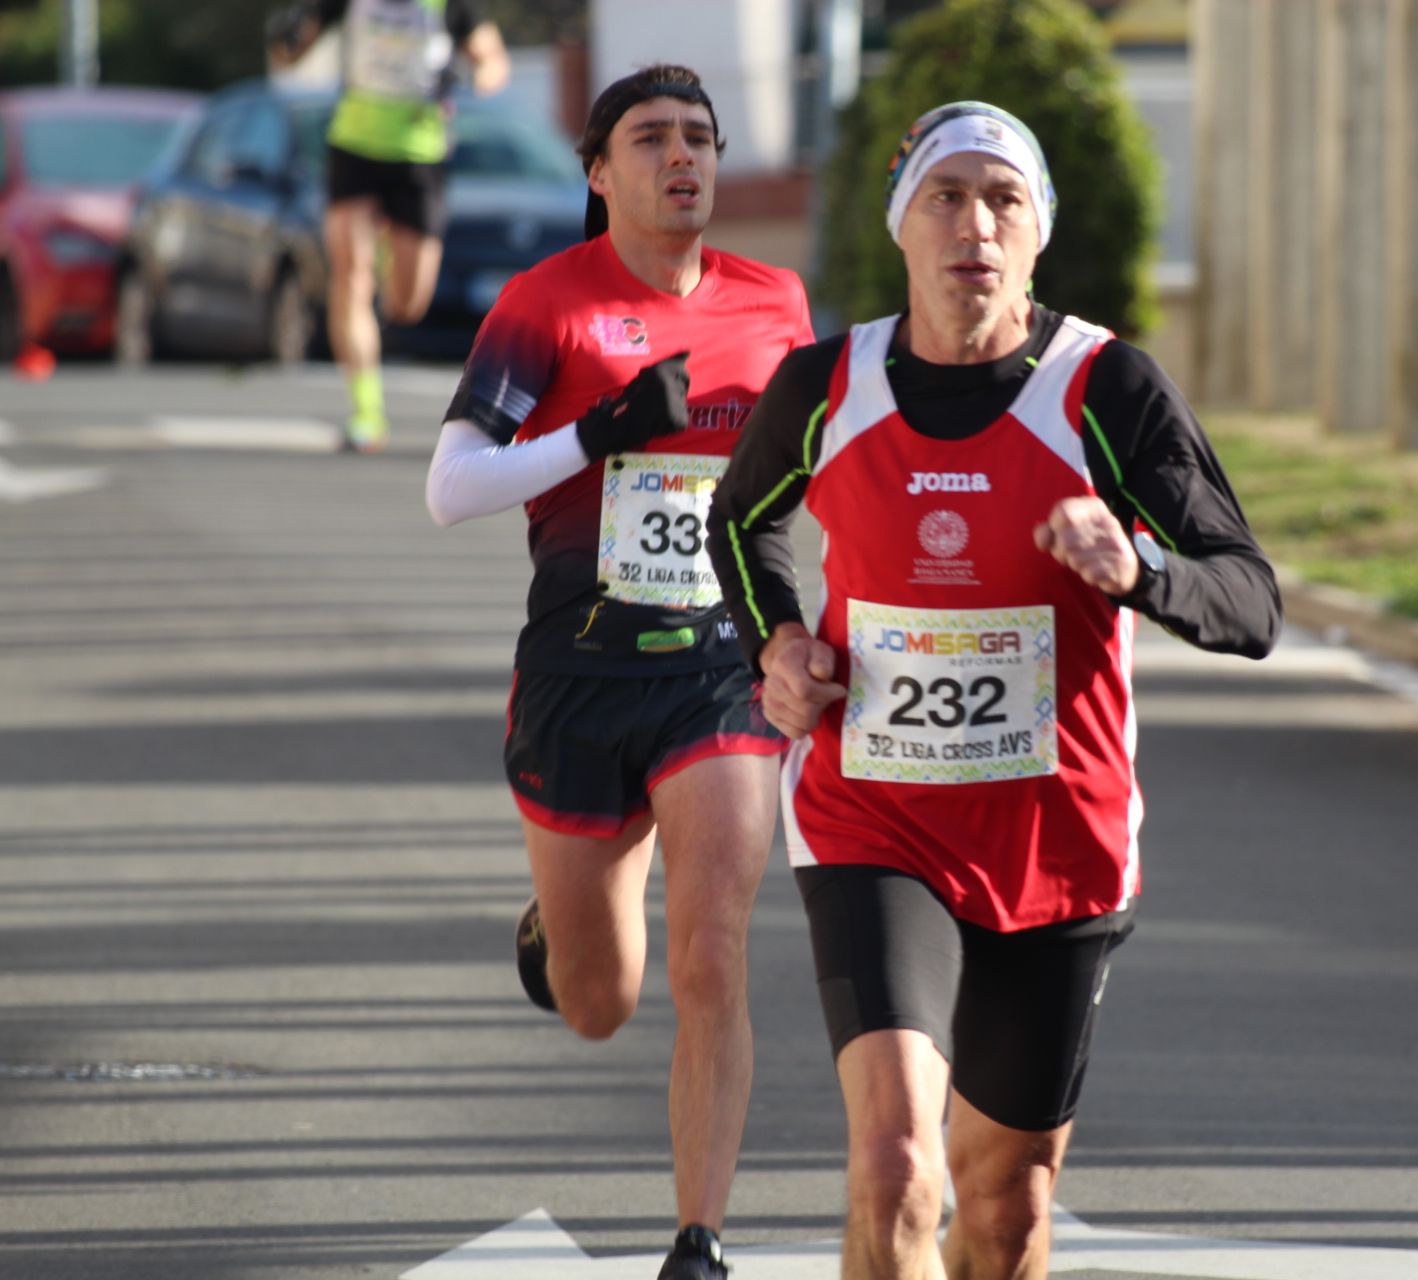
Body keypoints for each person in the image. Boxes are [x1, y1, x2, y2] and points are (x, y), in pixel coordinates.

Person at [707, 101, 1282, 1279]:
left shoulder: (1106, 389)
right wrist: (775, 644)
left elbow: (1251, 596)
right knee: (896, 1166)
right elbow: (740, 525)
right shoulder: (826, 384)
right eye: (947, 196)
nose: (975, 223)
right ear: (902, 227)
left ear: (1039, 235)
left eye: (1004, 199)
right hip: (875, 814)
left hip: (1056, 838)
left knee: (1008, 1201)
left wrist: (1141, 570)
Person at [424, 66, 814, 1280]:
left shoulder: (777, 302)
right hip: (579, 672)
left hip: (717, 669)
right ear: (600, 172)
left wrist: (814, 629)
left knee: (712, 951)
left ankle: (699, 1237)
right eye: (651, 138)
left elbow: (819, 479)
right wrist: (595, 433)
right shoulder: (546, 305)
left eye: (700, 136)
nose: (681, 156)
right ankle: (563, 913)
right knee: (597, 1000)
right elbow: (450, 488)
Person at [269, 0, 510, 452]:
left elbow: (495, 62)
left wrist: (468, 76)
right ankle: (367, 414)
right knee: (351, 275)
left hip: (419, 153)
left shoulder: (449, 5)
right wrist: (286, 36)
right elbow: (289, 56)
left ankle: (386, 256)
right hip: (354, 144)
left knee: (408, 304)